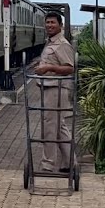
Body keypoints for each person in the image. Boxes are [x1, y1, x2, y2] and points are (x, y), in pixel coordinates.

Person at [33, 11, 76, 173]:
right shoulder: (50, 43)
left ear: (60, 25)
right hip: (49, 88)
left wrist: (49, 68)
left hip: (56, 89)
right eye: (47, 22)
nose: (49, 25)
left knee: (50, 127)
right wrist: (42, 64)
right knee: (59, 128)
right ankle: (70, 162)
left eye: (53, 23)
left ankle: (48, 164)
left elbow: (70, 68)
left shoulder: (62, 44)